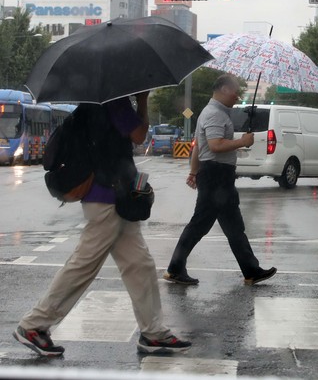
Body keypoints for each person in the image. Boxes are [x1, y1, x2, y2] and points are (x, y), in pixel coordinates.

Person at [14, 92, 191, 357]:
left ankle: (153, 332)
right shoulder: (113, 101)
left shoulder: (94, 102)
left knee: (139, 264)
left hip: (116, 197)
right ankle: (33, 325)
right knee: (83, 265)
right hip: (106, 196)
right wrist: (142, 102)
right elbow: (139, 135)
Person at [164, 74, 276, 286]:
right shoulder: (215, 114)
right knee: (200, 224)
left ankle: (251, 270)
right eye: (235, 91)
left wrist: (193, 172)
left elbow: (199, 146)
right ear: (224, 89)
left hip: (217, 176)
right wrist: (242, 141)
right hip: (216, 176)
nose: (237, 96)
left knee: (234, 226)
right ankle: (175, 268)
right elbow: (215, 145)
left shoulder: (213, 112)